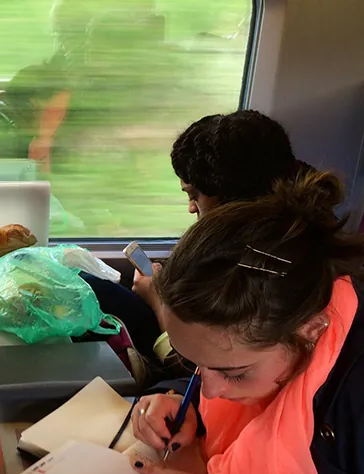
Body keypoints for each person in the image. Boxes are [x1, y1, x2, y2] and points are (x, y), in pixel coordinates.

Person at [130, 170, 364, 474]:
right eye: (194, 363)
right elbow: (213, 372)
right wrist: (173, 402)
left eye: (234, 374)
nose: (211, 389)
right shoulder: (259, 335)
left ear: (312, 330)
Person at [82, 109, 305, 380]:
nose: (191, 208)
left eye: (194, 195)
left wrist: (157, 301)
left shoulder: (260, 268)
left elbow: (201, 370)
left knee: (92, 291)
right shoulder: (282, 234)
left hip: (184, 365)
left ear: (228, 197)